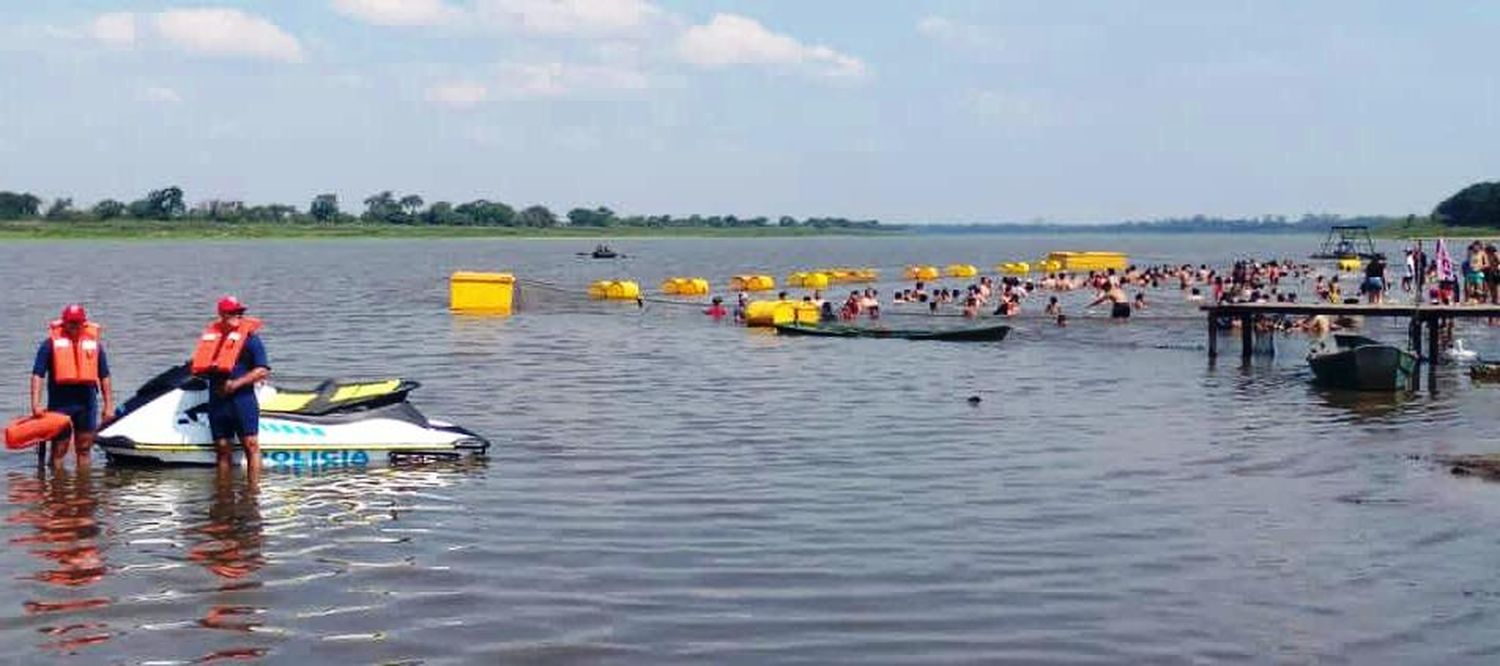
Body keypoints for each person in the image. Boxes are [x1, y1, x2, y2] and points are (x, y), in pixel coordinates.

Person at [190, 296, 269, 478]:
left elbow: (262, 371)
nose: (238, 316)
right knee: (222, 448)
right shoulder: (212, 338)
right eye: (233, 312)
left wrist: (235, 384)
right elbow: (199, 365)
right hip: (217, 399)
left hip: (242, 398)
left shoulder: (251, 339)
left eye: (240, 312)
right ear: (222, 314)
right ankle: (223, 492)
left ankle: (253, 492)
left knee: (250, 444)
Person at [30, 305, 114, 469]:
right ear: (64, 323)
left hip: (86, 404)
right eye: (71, 322)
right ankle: (58, 490)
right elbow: (37, 375)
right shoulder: (49, 345)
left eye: (77, 322)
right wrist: (36, 404)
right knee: (59, 449)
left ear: (84, 323)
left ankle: (83, 489)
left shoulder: (94, 345)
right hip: (60, 405)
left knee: (84, 448)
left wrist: (108, 406)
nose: (74, 326)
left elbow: (104, 375)